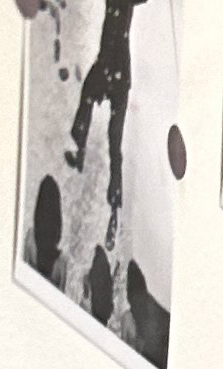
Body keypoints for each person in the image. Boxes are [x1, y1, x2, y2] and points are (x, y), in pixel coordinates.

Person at [62, 0, 146, 236]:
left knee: (94, 108)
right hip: (116, 73)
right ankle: (114, 202)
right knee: (114, 140)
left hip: (111, 69)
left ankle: (80, 150)